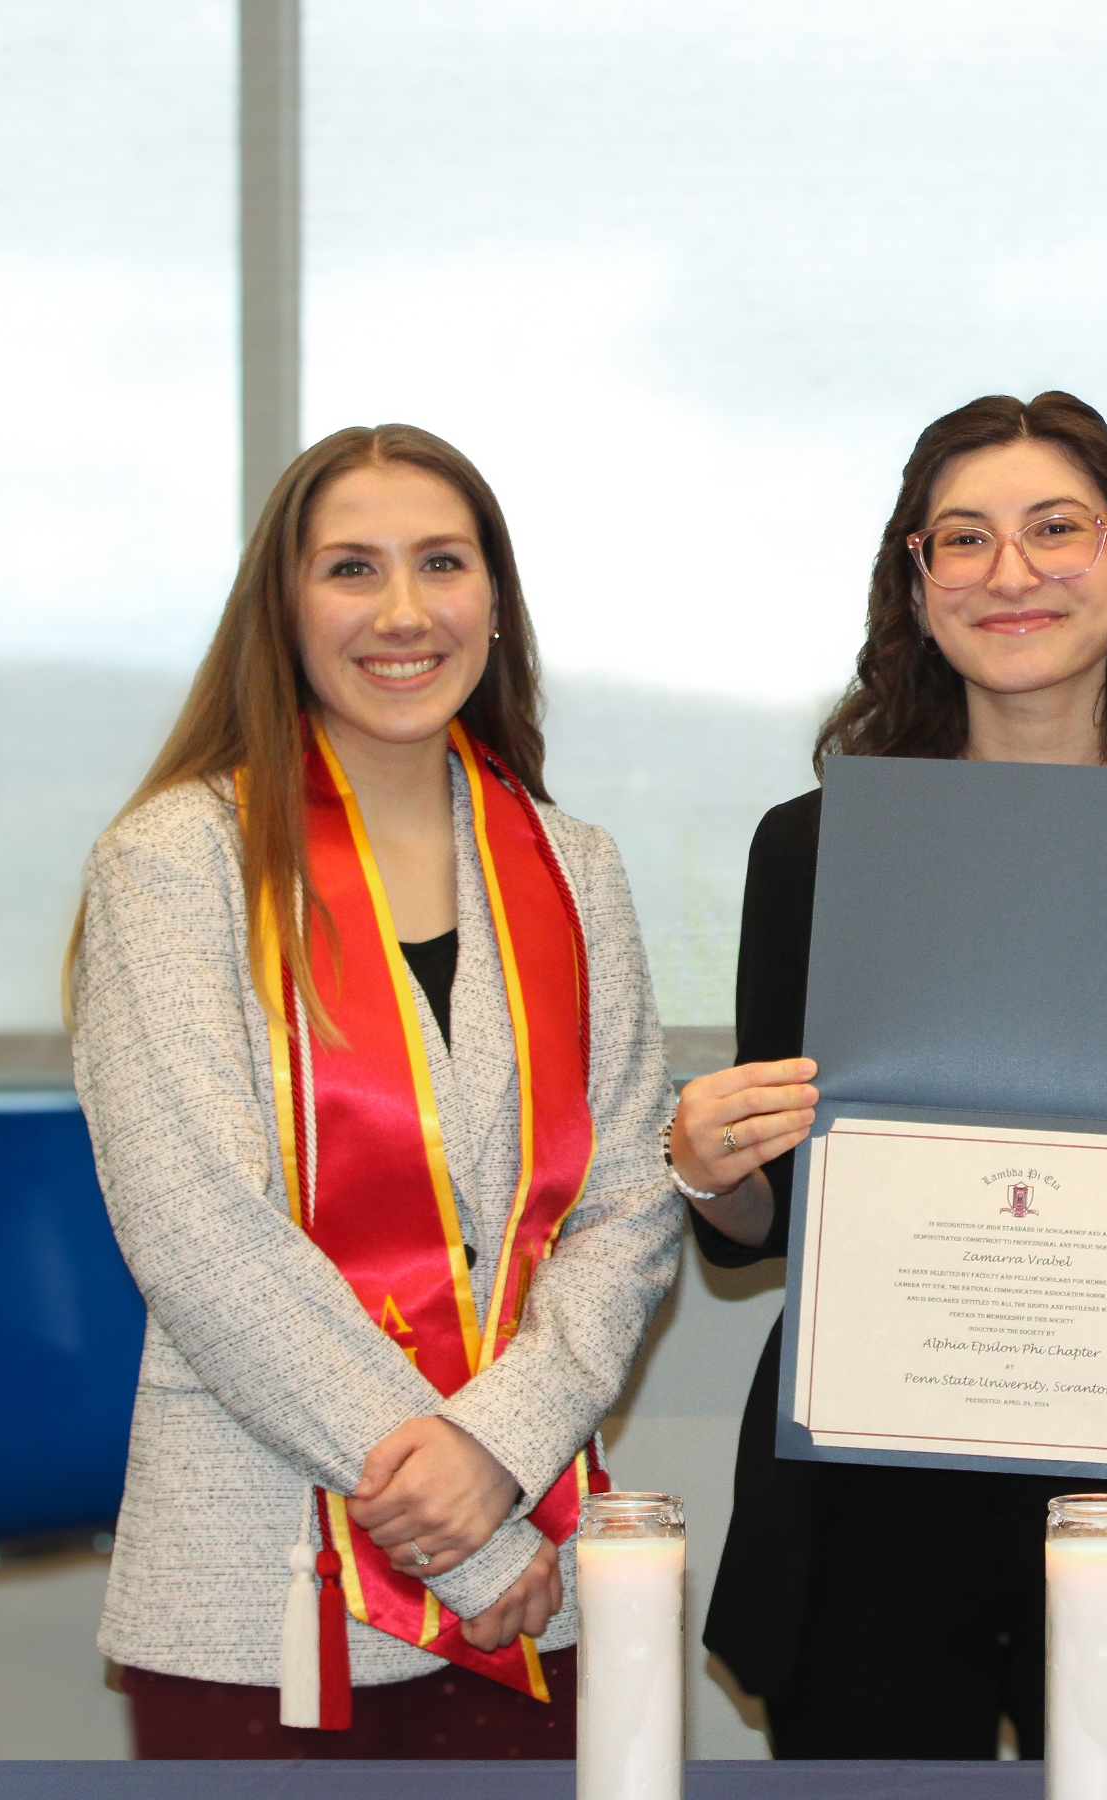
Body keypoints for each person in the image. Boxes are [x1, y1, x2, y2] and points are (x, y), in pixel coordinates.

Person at [662, 391, 1107, 1759]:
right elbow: (767, 1230)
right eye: (963, 540)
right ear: (916, 586)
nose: (1012, 572)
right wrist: (710, 1171)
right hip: (870, 1487)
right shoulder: (813, 853)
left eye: (1056, 529)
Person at [69, 424, 678, 1758]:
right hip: (265, 1583)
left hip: (539, 1576)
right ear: (282, 612)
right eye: (352, 569)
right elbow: (199, 1232)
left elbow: (631, 1205)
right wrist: (456, 1526)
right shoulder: (174, 863)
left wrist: (500, 1454)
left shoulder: (576, 867)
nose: (403, 612)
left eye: (442, 565)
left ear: (496, 604)